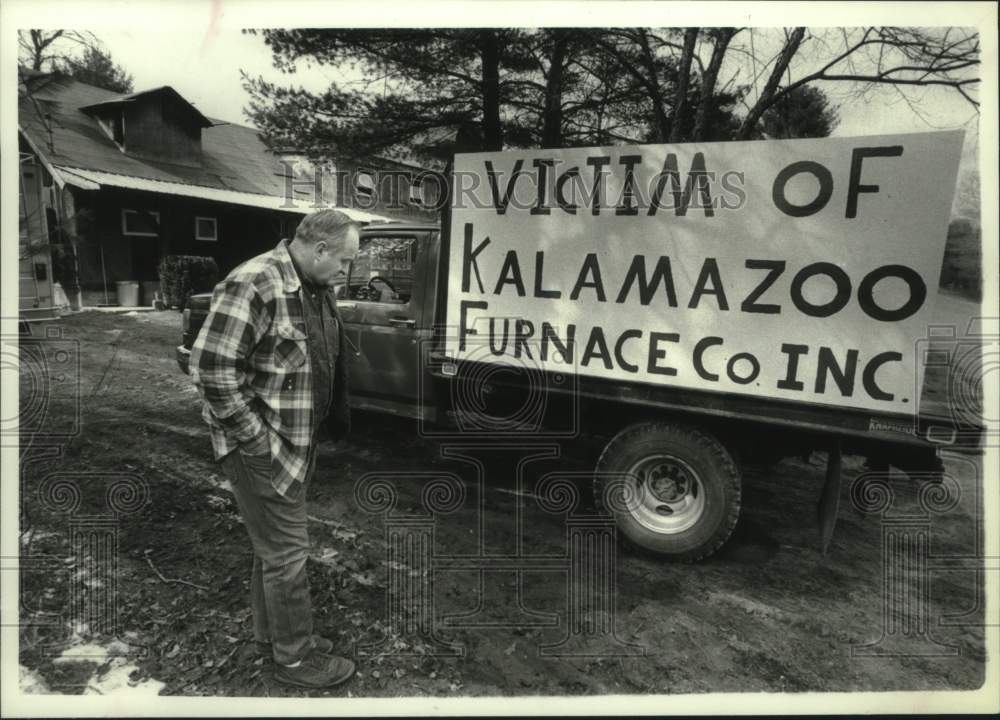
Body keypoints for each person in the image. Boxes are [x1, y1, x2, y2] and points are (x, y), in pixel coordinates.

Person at [189, 209, 360, 688]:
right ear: (320, 249)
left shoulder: (313, 288)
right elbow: (211, 368)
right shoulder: (256, 282)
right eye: (344, 260)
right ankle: (294, 657)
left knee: (274, 550)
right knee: (288, 554)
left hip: (292, 443)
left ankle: (274, 636)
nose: (347, 271)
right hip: (264, 447)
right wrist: (254, 437)